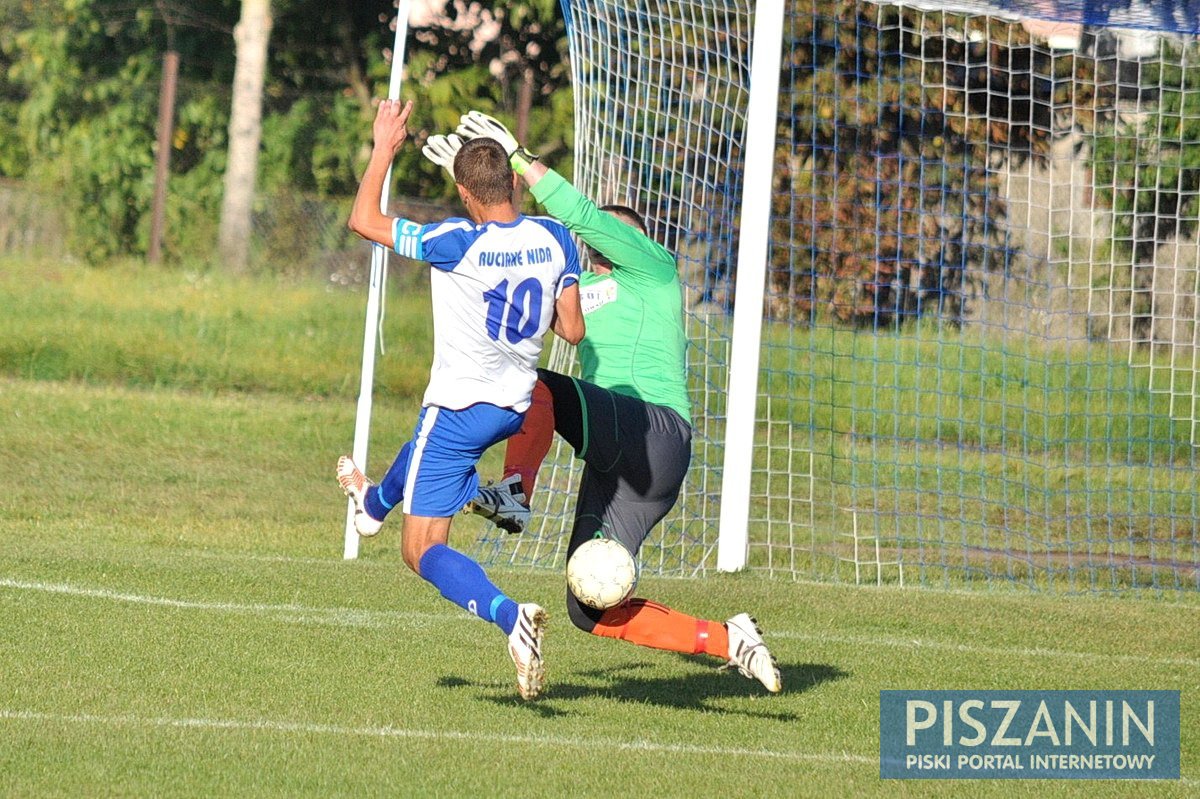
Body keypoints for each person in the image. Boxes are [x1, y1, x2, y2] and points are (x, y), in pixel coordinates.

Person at [438, 110, 781, 693]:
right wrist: (476, 187)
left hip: (654, 431)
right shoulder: (576, 284)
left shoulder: (652, 269)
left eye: (608, 237)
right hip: (618, 462)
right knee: (586, 607)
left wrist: (516, 158)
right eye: (593, 245)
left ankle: (516, 495)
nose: (598, 245)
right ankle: (732, 641)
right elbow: (507, 284)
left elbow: (582, 216)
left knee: (539, 388)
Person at [338, 98, 585, 701]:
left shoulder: (456, 241)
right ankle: (374, 503)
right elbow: (572, 331)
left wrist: (383, 148)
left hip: (459, 410)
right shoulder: (556, 237)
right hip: (513, 408)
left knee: (421, 550)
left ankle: (510, 618)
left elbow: (363, 220)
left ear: (468, 194)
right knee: (420, 453)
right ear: (510, 186)